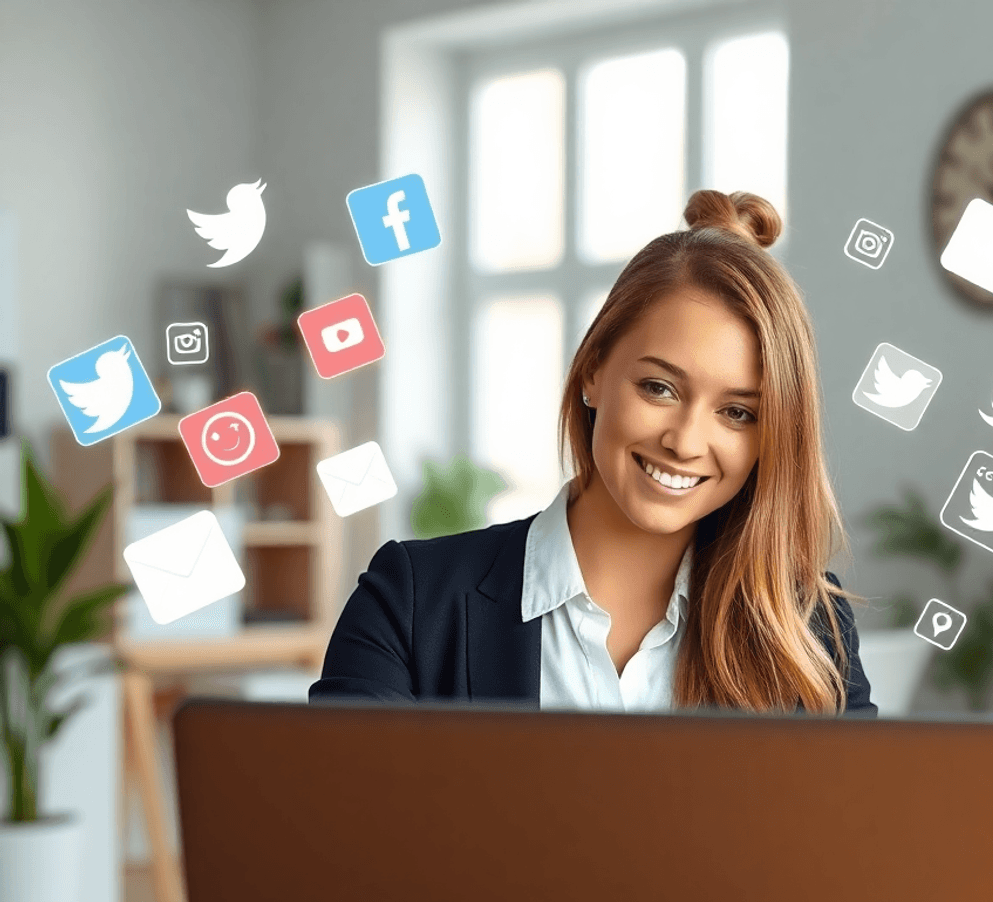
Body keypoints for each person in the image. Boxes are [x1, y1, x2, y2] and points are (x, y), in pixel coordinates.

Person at [310, 189, 876, 717]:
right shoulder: (410, 603)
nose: (684, 441)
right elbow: (335, 816)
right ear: (593, 370)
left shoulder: (811, 628)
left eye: (738, 413)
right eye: (660, 388)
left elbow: (859, 824)